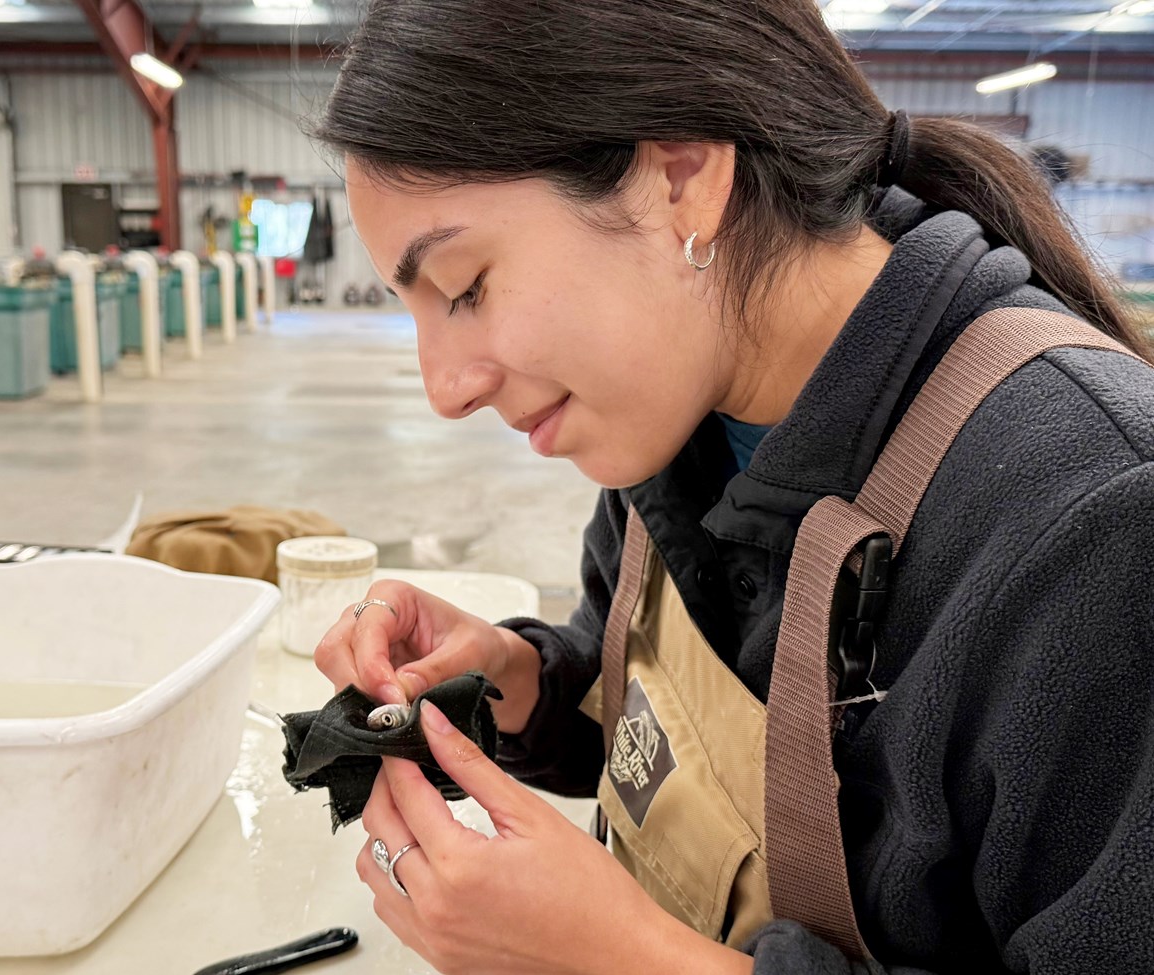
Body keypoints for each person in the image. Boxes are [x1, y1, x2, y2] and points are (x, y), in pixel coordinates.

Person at [311, 1, 1154, 973]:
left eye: (464, 287)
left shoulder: (1097, 527)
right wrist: (515, 678)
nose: (443, 389)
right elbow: (657, 733)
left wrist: (626, 959)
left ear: (681, 178)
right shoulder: (677, 414)